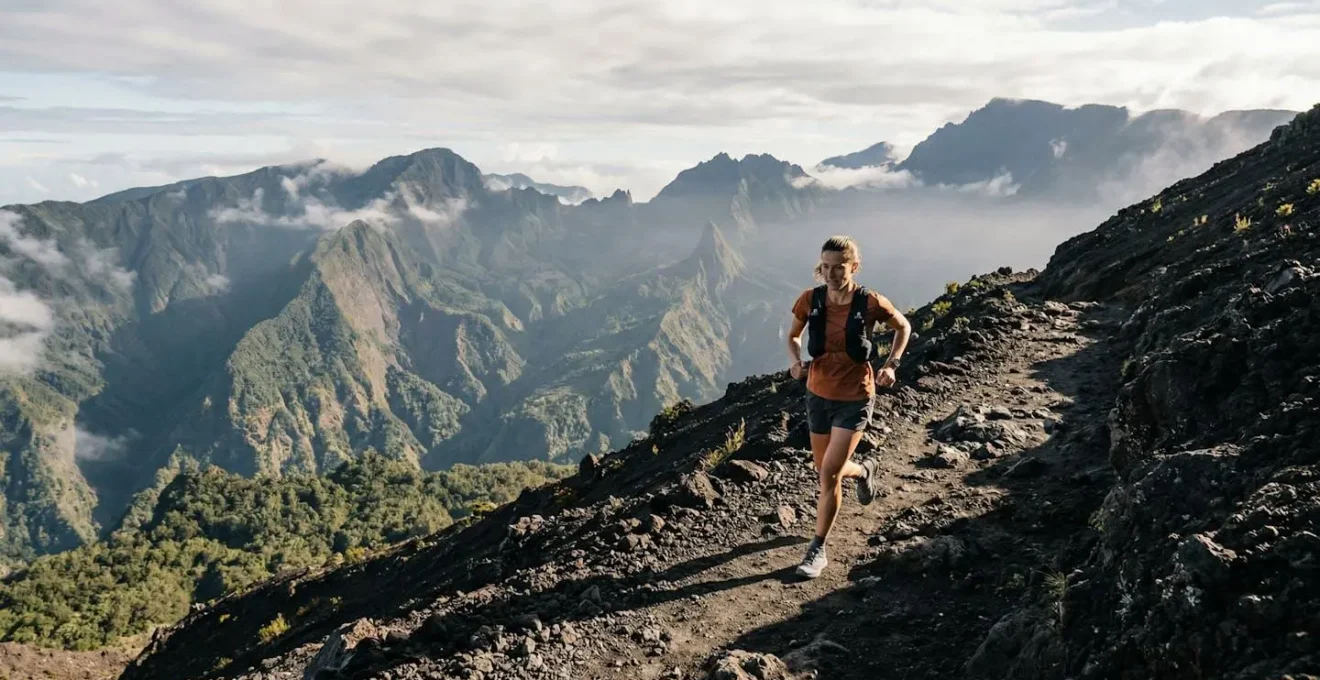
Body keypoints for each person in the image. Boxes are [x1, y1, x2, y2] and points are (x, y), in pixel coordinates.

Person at [785, 235, 911, 579]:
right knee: (823, 469)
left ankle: (817, 549)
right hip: (817, 394)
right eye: (825, 267)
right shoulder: (810, 300)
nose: (831, 274)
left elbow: (903, 326)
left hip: (855, 397)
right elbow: (793, 336)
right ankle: (864, 470)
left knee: (828, 474)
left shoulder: (870, 301)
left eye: (839, 268)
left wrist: (891, 365)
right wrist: (796, 361)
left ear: (853, 267)